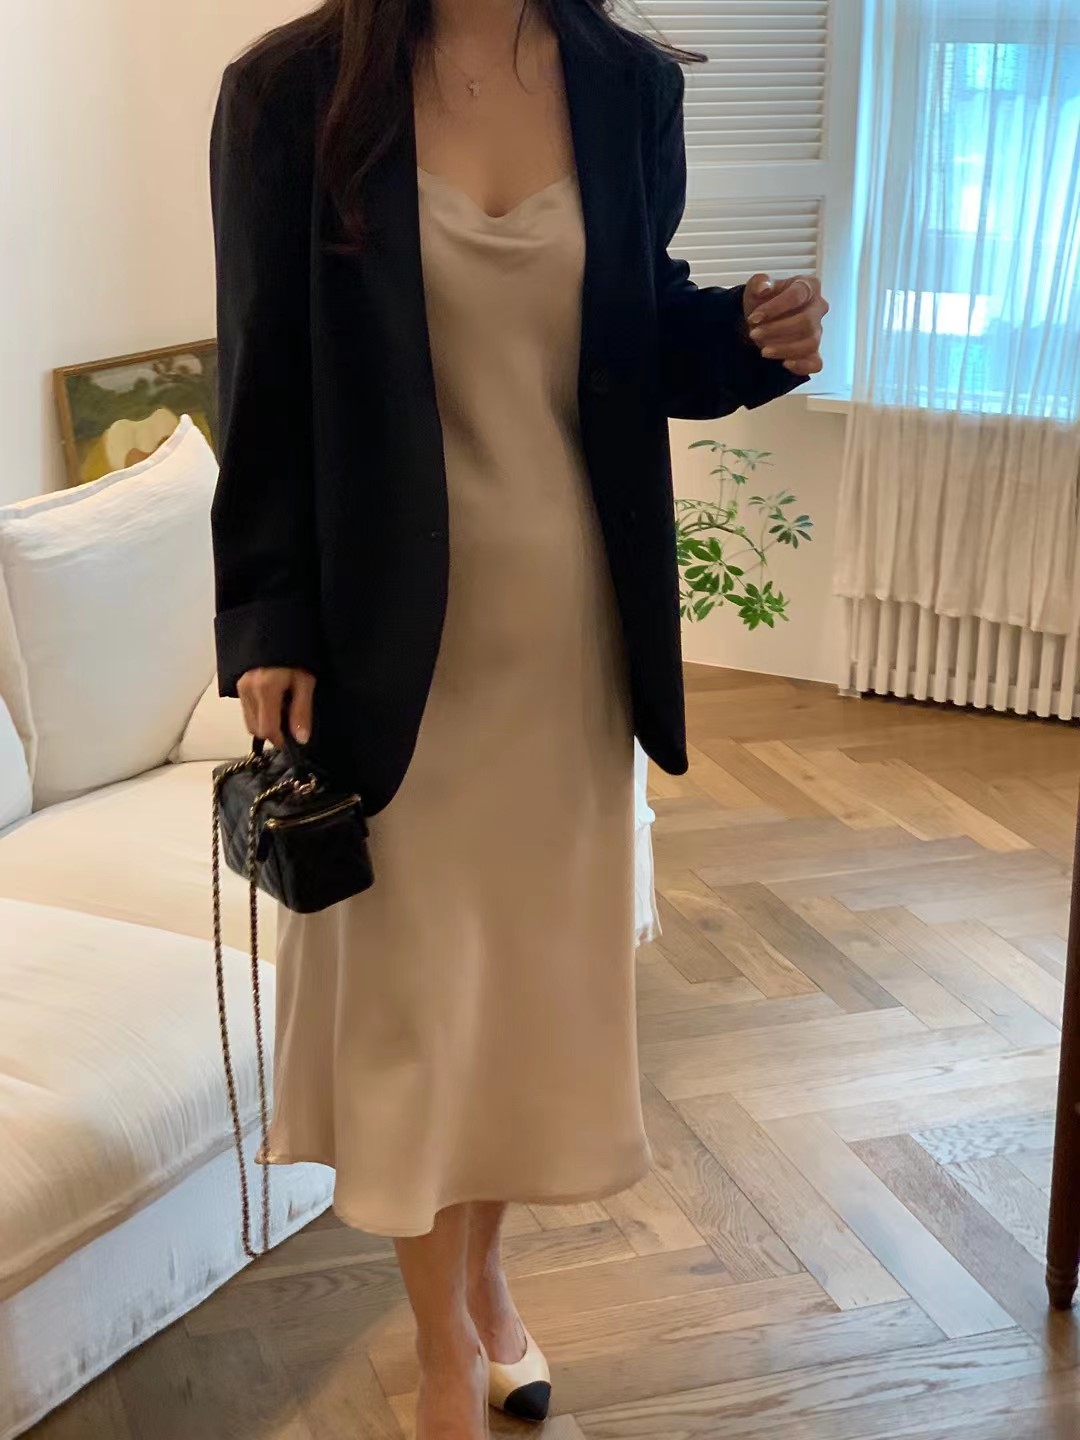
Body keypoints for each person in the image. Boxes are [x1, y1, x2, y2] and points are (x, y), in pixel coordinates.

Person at [209, 0, 826, 1434]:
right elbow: (263, 374)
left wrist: (747, 341)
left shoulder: (623, 83)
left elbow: (633, 337)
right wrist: (267, 619)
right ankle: (442, 1352)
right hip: (388, 650)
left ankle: (486, 1285)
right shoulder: (291, 90)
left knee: (515, 1001)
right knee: (424, 1004)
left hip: (568, 635)